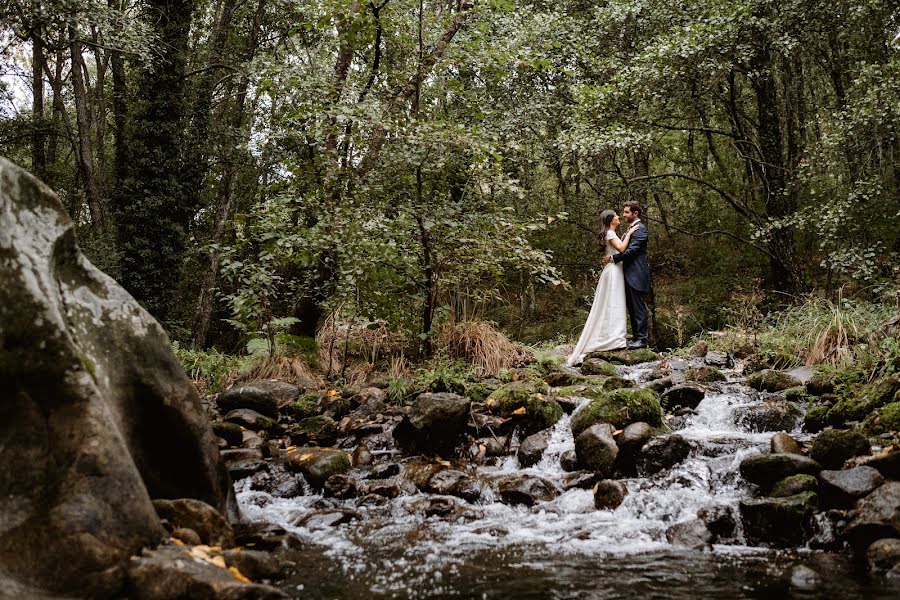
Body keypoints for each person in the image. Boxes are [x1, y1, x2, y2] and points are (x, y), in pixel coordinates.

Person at [566, 209, 639, 367]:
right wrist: (630, 233)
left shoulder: (610, 233)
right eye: (616, 216)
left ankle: (615, 337)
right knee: (613, 302)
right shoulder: (611, 234)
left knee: (614, 302)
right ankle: (614, 339)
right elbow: (621, 249)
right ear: (611, 219)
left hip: (614, 269)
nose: (619, 217)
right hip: (613, 271)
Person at [602, 200, 650, 349]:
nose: (623, 215)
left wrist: (613, 258)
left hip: (636, 273)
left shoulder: (640, 229)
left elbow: (632, 251)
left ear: (635, 213)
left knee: (638, 307)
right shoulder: (630, 229)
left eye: (627, 212)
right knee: (632, 307)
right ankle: (636, 337)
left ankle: (642, 339)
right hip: (627, 274)